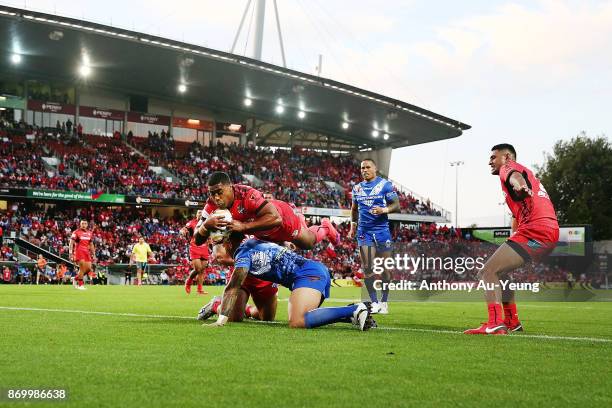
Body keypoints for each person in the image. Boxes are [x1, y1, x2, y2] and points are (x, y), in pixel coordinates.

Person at [465, 144, 559, 335]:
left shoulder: (509, 168)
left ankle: (494, 323)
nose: (489, 161)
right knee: (501, 274)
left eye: (493, 157)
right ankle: (511, 321)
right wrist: (514, 243)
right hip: (546, 236)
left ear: (506, 156)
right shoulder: (528, 175)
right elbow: (517, 218)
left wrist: (521, 186)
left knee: (487, 271)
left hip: (535, 231)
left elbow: (515, 177)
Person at [204, 238, 375, 331]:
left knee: (297, 321)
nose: (221, 262)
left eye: (220, 258)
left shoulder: (242, 254)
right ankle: (351, 315)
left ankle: (355, 310)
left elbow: (233, 286)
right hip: (310, 273)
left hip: (308, 275)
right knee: (304, 318)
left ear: (227, 244)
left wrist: (221, 321)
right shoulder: (253, 241)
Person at [194, 172, 339, 250]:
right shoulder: (211, 205)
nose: (216, 197)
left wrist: (243, 226)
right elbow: (197, 239)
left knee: (307, 244)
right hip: (258, 231)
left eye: (219, 192)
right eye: (212, 194)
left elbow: (275, 218)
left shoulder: (247, 194)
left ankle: (325, 227)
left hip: (281, 220)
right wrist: (206, 226)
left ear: (230, 187)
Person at [348, 159, 400, 314]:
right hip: (364, 233)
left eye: (367, 167)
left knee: (385, 269)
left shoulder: (385, 185)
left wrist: (383, 210)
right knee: (367, 268)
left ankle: (384, 302)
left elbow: (396, 205)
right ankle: (374, 302)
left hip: (382, 231)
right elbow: (354, 209)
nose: (364, 170)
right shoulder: (357, 188)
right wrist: (352, 227)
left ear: (375, 168)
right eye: (362, 168)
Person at [181, 210, 209, 295]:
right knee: (198, 269)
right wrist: (182, 231)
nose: (200, 214)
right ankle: (188, 281)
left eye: (202, 212)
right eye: (199, 212)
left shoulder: (207, 222)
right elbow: (184, 229)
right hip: (194, 247)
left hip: (204, 248)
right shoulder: (192, 222)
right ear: (196, 214)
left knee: (202, 270)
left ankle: (199, 290)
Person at [69, 219, 95, 290]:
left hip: (86, 252)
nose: (84, 225)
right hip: (79, 251)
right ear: (80, 224)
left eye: (85, 224)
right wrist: (70, 252)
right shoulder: (76, 232)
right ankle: (80, 285)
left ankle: (75, 278)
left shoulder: (90, 233)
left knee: (88, 269)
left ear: (87, 225)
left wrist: (94, 254)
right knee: (82, 268)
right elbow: (71, 243)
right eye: (82, 223)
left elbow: (91, 244)